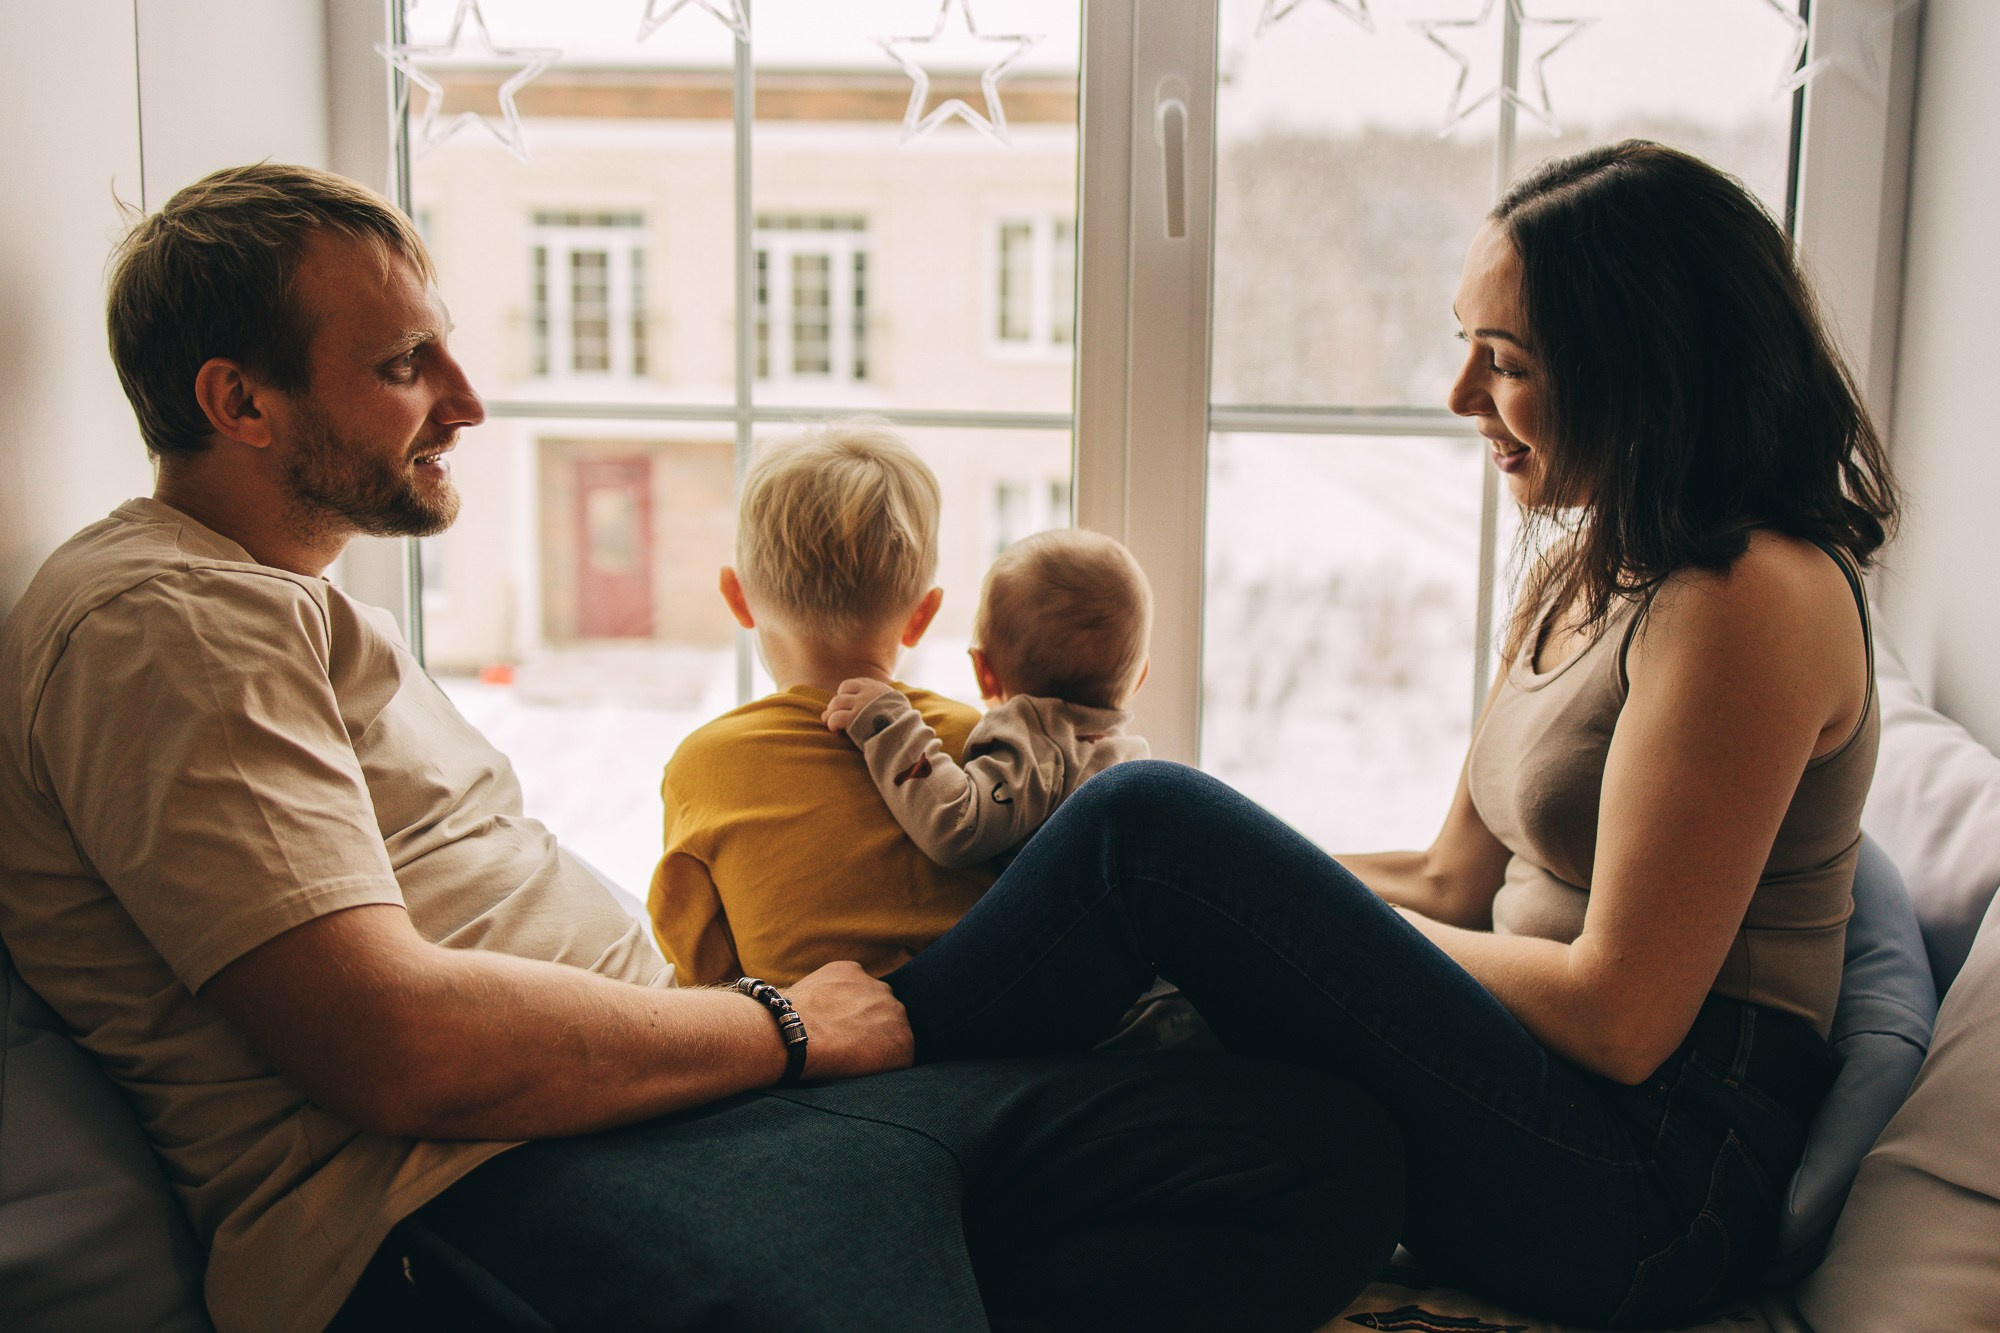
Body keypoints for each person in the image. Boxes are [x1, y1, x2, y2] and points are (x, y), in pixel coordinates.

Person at [0, 164, 1403, 1333]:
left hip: (677, 1110)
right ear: (239, 404)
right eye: (401, 365)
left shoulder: (280, 597)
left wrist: (752, 1037)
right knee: (1135, 834)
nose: (467, 400)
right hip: (473, 1198)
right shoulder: (159, 626)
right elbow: (393, 1046)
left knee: (1325, 1155)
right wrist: (782, 1023)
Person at [889, 139, 1899, 1328]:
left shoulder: (1753, 599)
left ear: (1642, 371)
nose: (1460, 394)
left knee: (1144, 823)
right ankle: (887, 1150)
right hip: (1545, 1103)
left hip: (1653, 1186)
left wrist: (1256, 909)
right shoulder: (1584, 573)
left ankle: (819, 1060)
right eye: (1461, 344)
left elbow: (1620, 1016)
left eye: (1505, 361)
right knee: (1148, 865)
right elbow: (1448, 878)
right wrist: (1250, 909)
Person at [823, 527, 1152, 869]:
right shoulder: (1129, 761)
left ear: (984, 672)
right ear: (1139, 678)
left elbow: (955, 826)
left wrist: (888, 725)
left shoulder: (1039, 749)